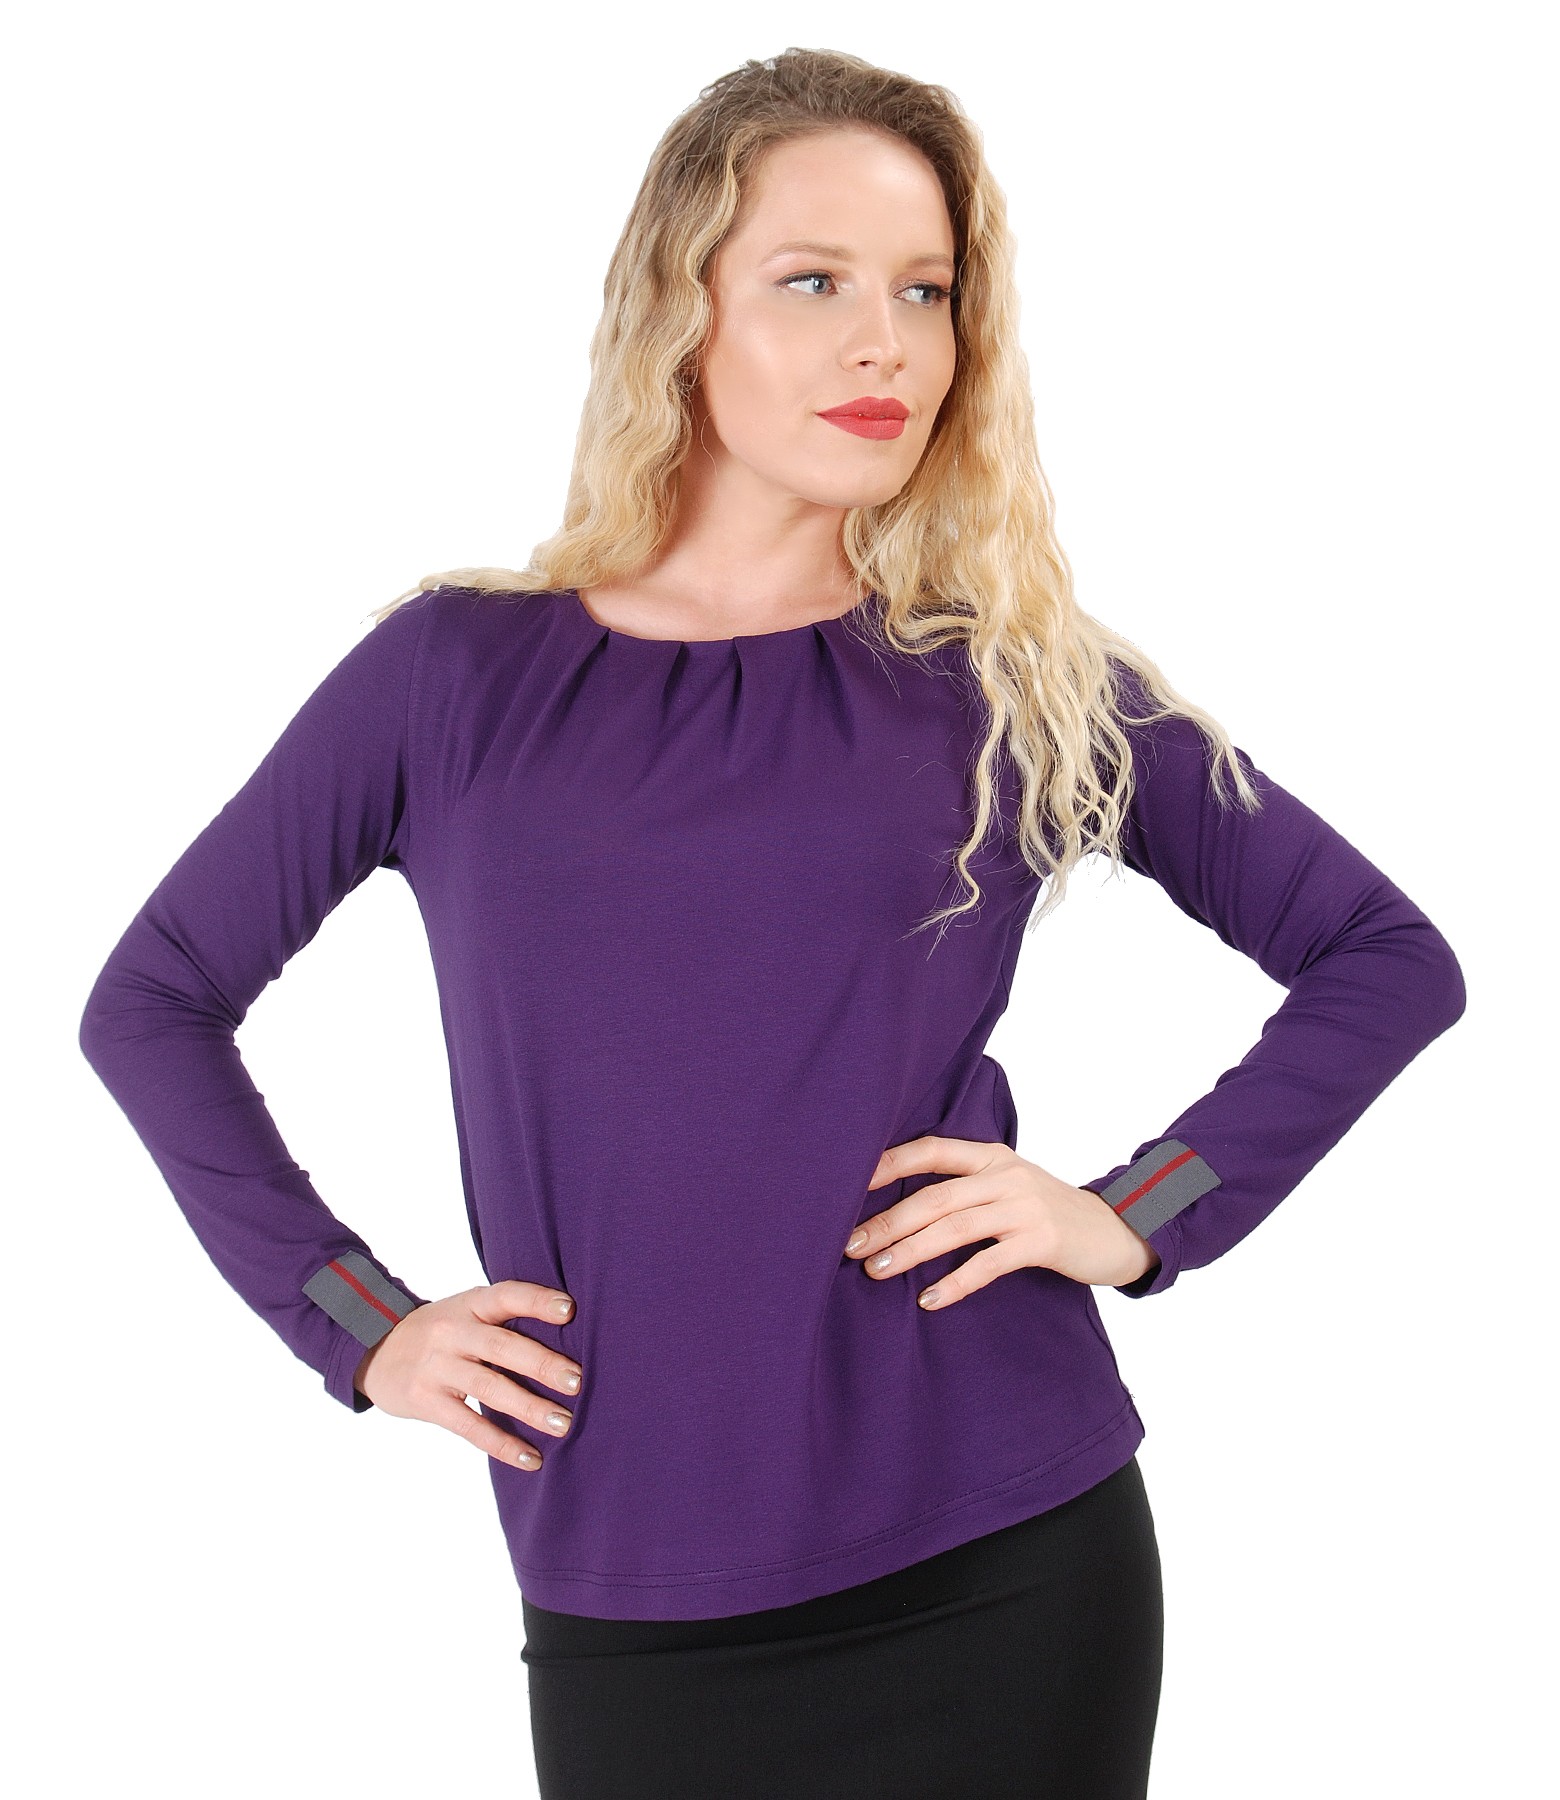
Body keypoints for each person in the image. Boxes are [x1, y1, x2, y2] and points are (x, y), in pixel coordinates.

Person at [77, 45, 1466, 1800]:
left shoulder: (1005, 677)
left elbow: (1386, 958)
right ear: (683, 310)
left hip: (1006, 1548)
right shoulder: (455, 677)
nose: (886, 344)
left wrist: (1131, 1216)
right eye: (815, 281)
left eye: (925, 292)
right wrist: (357, 1322)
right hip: (627, 1569)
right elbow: (155, 996)